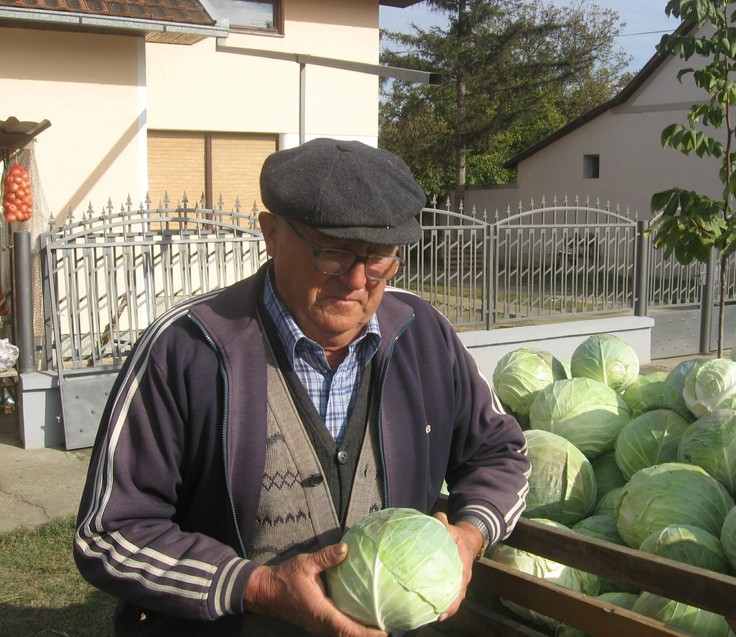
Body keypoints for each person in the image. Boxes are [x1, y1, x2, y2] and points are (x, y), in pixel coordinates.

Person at [74, 138, 530, 636]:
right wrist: (255, 586)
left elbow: (500, 453)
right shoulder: (186, 348)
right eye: (332, 254)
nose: (356, 280)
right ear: (271, 233)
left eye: (380, 257)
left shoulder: (424, 336)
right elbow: (110, 533)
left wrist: (470, 534)